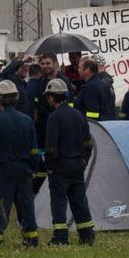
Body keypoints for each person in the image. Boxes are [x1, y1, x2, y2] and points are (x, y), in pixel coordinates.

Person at [0, 80, 40, 249]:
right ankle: (31, 239)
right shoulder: (27, 120)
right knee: (26, 206)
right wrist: (33, 168)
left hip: (3, 170)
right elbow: (34, 151)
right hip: (24, 170)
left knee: (1, 205)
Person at [43, 79, 95, 246]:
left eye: (48, 97)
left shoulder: (54, 118)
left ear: (52, 97)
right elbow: (89, 143)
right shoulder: (78, 115)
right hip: (77, 165)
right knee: (79, 200)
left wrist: (50, 167)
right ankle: (87, 235)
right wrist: (84, 160)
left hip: (60, 166)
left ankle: (60, 238)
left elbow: (51, 147)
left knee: (58, 202)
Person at [26, 54, 73, 193]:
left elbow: (69, 106)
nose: (45, 66)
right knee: (42, 160)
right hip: (43, 127)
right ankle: (40, 188)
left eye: (48, 63)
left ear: (56, 64)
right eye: (43, 64)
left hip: (61, 128)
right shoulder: (41, 82)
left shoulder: (65, 82)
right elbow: (37, 105)